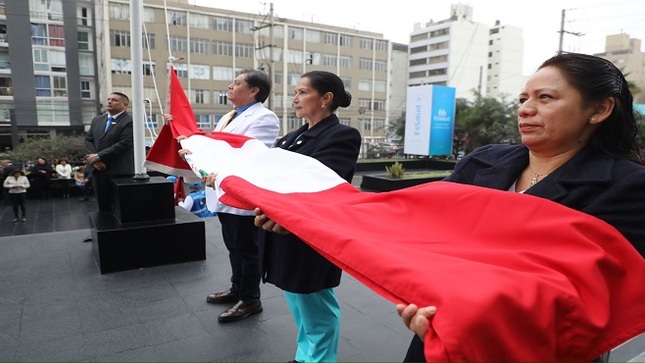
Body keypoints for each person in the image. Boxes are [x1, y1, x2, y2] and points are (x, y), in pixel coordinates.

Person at [395, 52, 645, 362]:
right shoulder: (481, 163)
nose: (525, 110)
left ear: (599, 109)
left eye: (545, 98)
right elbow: (424, 234)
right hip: (438, 336)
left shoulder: (628, 187)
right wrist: (422, 297)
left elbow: (592, 296)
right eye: (523, 99)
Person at [252, 70, 362, 362]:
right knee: (299, 301)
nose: (295, 98)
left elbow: (320, 181)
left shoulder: (342, 135)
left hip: (311, 232)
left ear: (326, 98)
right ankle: (306, 356)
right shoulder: (292, 137)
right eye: (295, 92)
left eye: (302, 92)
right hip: (283, 228)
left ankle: (318, 360)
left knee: (316, 304)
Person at [173, 68, 280, 323]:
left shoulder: (264, 118)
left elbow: (250, 156)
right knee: (234, 247)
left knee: (248, 249)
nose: (230, 86)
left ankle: (251, 299)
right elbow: (216, 149)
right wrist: (194, 152)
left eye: (237, 83)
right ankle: (237, 289)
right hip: (221, 191)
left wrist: (216, 170)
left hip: (242, 195)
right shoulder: (228, 116)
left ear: (253, 91)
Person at [84, 92, 135, 212]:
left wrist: (98, 156)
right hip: (98, 170)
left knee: (121, 208)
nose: (110, 102)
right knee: (103, 207)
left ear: (125, 105)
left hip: (119, 171)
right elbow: (88, 140)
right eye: (109, 99)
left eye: (115, 100)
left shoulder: (130, 121)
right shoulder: (97, 120)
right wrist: (94, 160)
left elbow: (125, 143)